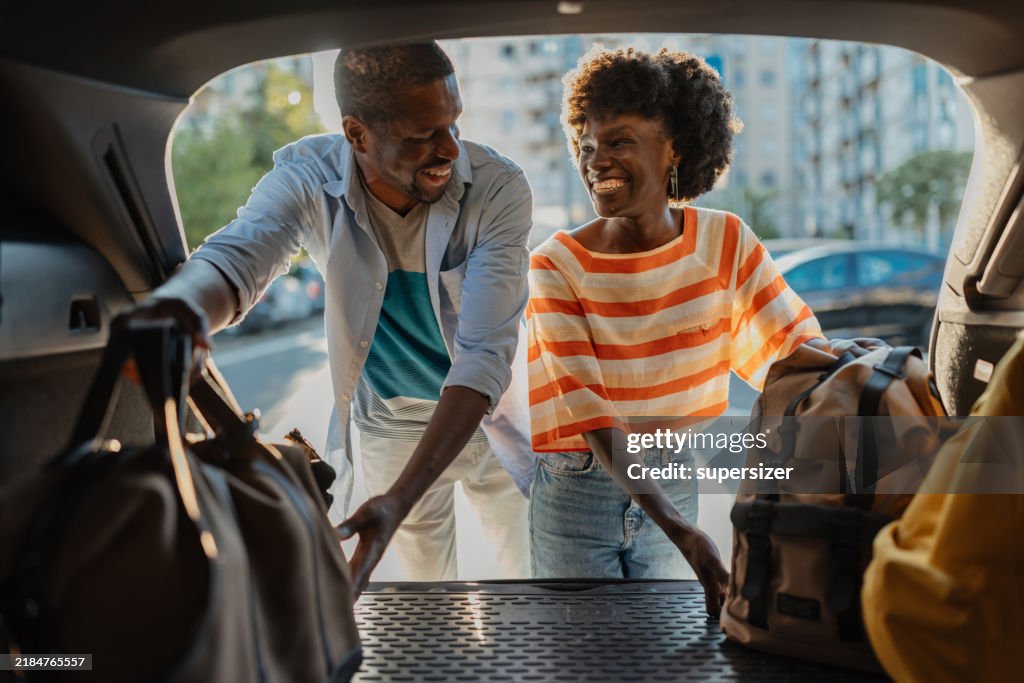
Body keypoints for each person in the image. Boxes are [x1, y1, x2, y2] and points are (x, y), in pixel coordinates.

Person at [121, 42, 534, 592]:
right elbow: (240, 251)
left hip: (490, 417)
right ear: (357, 134)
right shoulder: (306, 178)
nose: (450, 149)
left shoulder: (499, 187)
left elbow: (483, 356)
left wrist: (397, 500)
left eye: (453, 124)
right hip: (388, 421)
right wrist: (177, 311)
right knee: (422, 603)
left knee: (534, 581)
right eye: (421, 136)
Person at [526, 47, 831, 614]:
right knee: (580, 655)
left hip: (671, 465)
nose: (597, 161)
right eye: (587, 147)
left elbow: (792, 350)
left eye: (618, 142)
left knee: (663, 653)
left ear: (675, 150)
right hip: (577, 486)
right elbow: (588, 410)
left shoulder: (726, 242)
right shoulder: (556, 263)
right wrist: (680, 531)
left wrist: (862, 369)